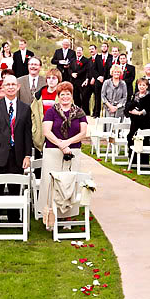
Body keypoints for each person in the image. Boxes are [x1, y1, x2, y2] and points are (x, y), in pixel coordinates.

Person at [0, 74, 33, 216]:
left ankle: (13, 218)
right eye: (7, 85)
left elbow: (27, 134)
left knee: (15, 188)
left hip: (17, 156)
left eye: (13, 84)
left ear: (18, 87)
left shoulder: (25, 108)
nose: (10, 87)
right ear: (3, 88)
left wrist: (27, 156)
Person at [40, 81, 88, 217]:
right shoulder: (51, 112)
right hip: (53, 152)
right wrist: (61, 145)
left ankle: (68, 216)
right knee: (51, 184)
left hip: (73, 152)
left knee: (70, 184)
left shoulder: (79, 112)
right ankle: (50, 216)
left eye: (68, 94)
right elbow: (46, 131)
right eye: (62, 94)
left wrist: (67, 143)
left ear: (72, 95)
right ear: (58, 96)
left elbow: (83, 133)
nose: (65, 97)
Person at [126, 77, 150, 162]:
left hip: (144, 121)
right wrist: (133, 112)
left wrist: (139, 112)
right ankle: (132, 160)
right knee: (131, 137)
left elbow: (147, 108)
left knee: (144, 139)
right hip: (134, 121)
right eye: (140, 85)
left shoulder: (149, 96)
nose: (141, 87)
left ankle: (144, 161)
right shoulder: (135, 95)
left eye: (143, 85)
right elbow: (130, 107)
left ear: (146, 86)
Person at [92, 43, 114, 118]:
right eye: (102, 46)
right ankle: (97, 114)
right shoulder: (97, 57)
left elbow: (111, 69)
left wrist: (105, 78)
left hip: (108, 81)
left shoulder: (111, 57)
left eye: (105, 46)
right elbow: (94, 69)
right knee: (97, 97)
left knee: (107, 98)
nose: (104, 48)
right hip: (98, 80)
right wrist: (98, 77)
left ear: (107, 48)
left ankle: (106, 114)